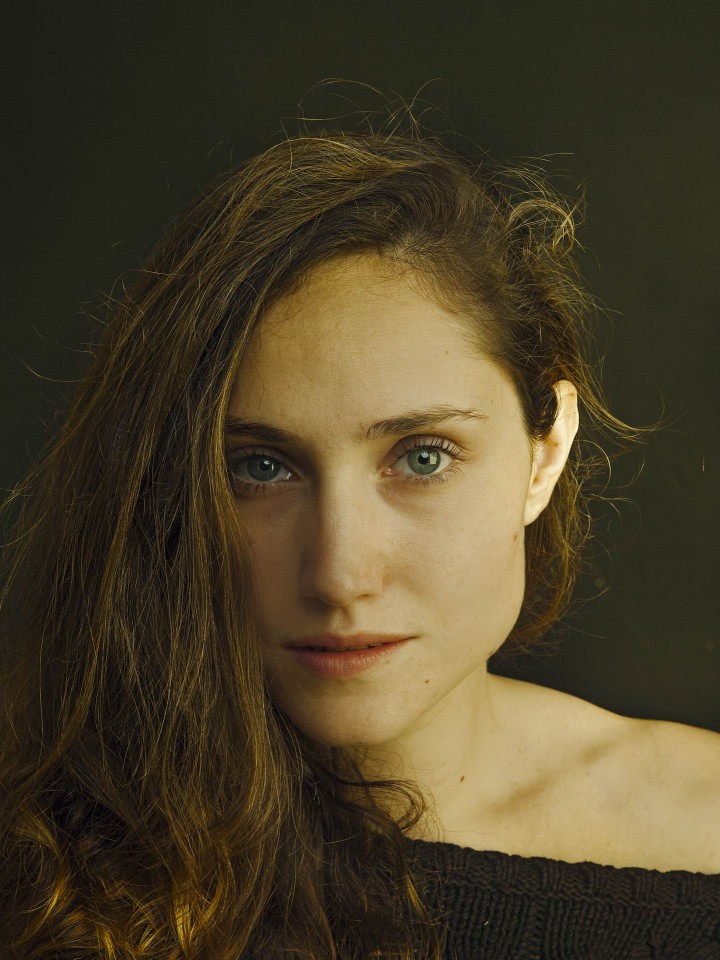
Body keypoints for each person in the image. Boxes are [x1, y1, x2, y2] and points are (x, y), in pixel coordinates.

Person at [1, 109, 718, 960]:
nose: (340, 575)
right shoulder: (39, 856)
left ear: (546, 451)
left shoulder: (703, 825)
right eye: (260, 467)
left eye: (422, 457)